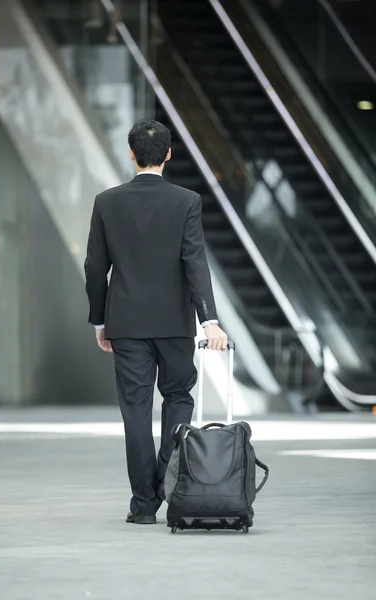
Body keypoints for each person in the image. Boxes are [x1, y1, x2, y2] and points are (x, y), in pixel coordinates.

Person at [84, 119, 228, 525]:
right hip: (175, 324)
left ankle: (144, 504)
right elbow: (195, 263)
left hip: (126, 324)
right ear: (168, 153)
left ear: (131, 153)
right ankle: (168, 483)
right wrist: (209, 320)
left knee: (135, 410)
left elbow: (96, 267)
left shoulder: (106, 201)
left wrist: (99, 321)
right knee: (179, 398)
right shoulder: (186, 201)